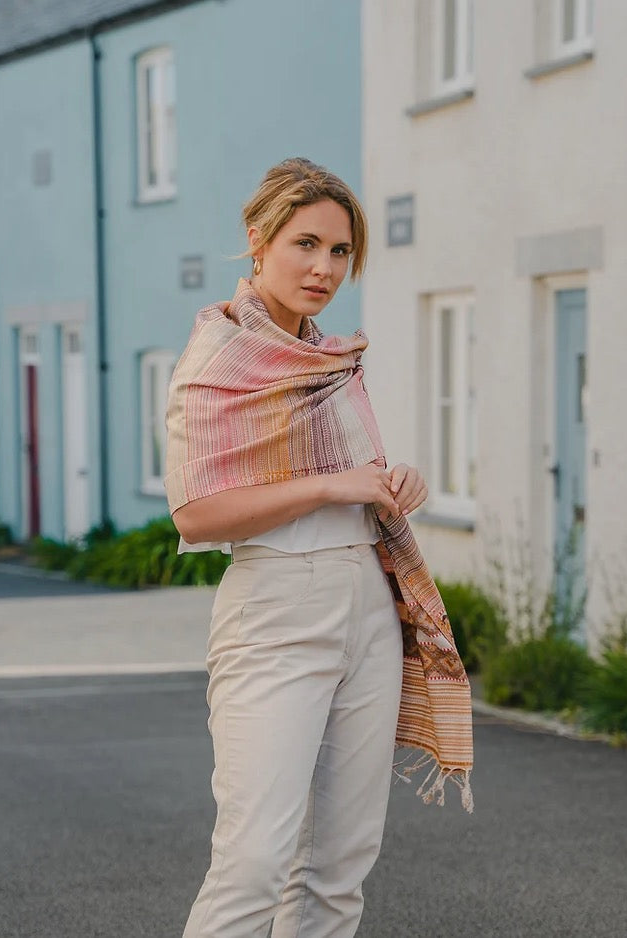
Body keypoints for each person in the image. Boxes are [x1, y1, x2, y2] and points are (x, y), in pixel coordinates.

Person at [165, 158, 473, 938]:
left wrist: (391, 481)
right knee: (254, 865)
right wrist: (335, 486)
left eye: (340, 252)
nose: (324, 267)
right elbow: (199, 514)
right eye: (307, 243)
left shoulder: (332, 360)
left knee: (340, 870)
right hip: (274, 612)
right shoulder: (218, 361)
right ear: (258, 239)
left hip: (365, 605)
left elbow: (352, 480)